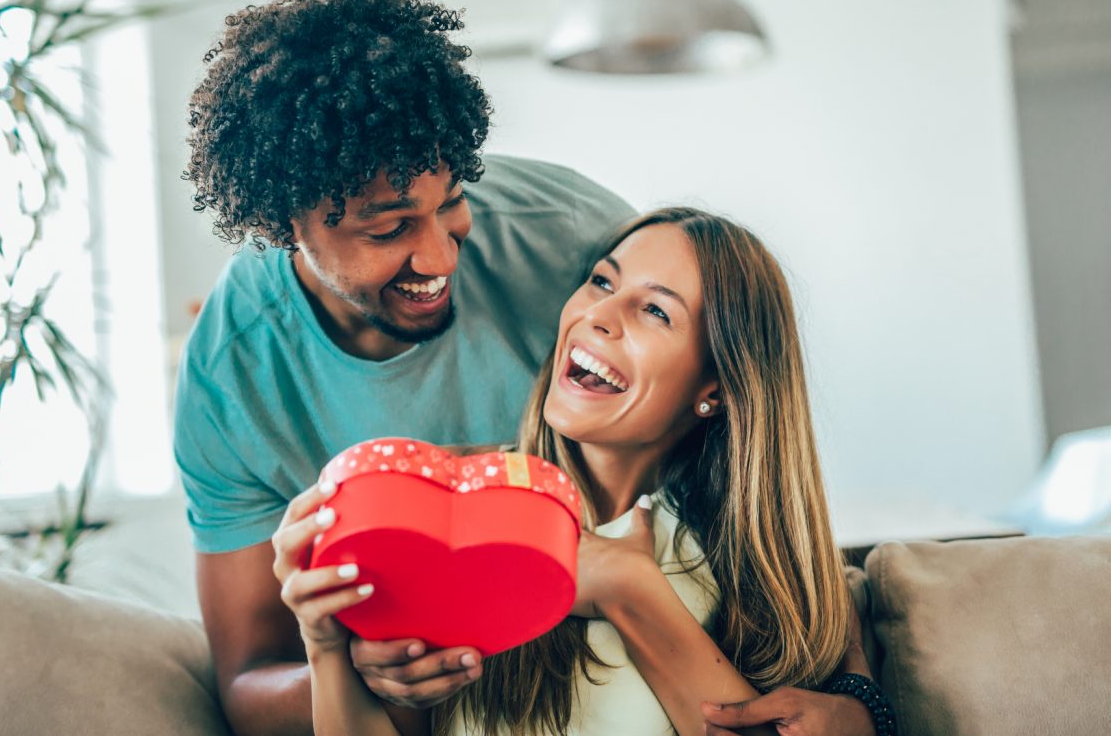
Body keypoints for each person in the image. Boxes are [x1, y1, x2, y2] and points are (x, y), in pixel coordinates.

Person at [176, 0, 882, 736]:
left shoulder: (569, 240)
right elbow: (247, 679)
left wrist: (861, 700)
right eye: (388, 230)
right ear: (285, 226)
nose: (442, 260)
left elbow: (764, 489)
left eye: (452, 204)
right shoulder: (232, 374)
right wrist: (354, 665)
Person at [274, 207, 892, 736]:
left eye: (655, 311)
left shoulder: (762, 573)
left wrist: (626, 586)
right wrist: (326, 644)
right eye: (601, 281)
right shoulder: (457, 513)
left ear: (718, 385)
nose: (599, 314)